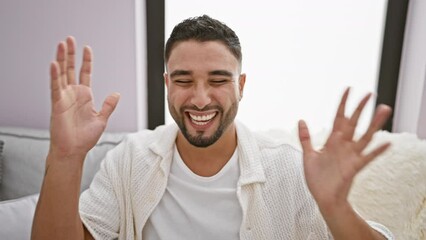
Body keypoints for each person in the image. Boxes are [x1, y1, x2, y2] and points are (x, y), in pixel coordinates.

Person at [32, 15, 394, 240]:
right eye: (184, 80)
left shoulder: (288, 168)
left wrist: (335, 207)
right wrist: (65, 158)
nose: (201, 99)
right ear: (166, 84)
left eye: (218, 80)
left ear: (242, 85)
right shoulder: (130, 159)